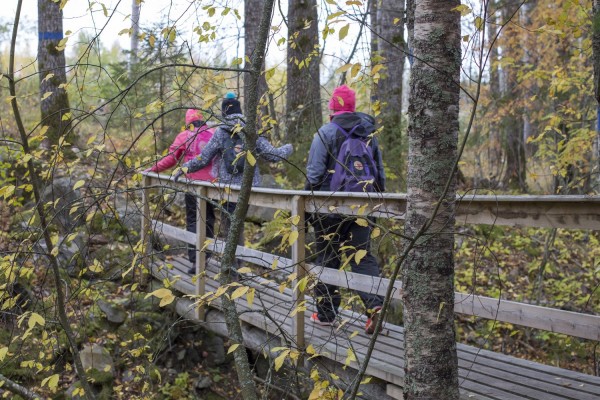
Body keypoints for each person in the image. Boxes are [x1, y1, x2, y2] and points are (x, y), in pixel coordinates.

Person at [305, 85, 386, 334]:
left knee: (328, 257)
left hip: (329, 208)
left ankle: (327, 314)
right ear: (353, 107)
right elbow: (379, 175)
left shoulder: (325, 133)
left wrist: (308, 206)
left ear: (332, 108)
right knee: (362, 257)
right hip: (362, 208)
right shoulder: (368, 134)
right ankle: (376, 307)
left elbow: (315, 173)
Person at [179, 93, 293, 249]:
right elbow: (272, 155)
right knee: (237, 227)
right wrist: (289, 147)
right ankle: (237, 266)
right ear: (240, 110)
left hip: (228, 188)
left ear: (223, 112)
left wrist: (184, 168)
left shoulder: (220, 132)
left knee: (231, 228)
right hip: (250, 187)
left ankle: (233, 268)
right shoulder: (250, 129)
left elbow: (204, 158)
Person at [148, 109, 216, 274]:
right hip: (214, 186)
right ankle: (206, 256)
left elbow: (172, 159)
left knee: (194, 220)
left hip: (192, 184)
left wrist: (152, 169)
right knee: (208, 219)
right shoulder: (214, 133)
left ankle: (195, 261)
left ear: (188, 122)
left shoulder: (185, 135)